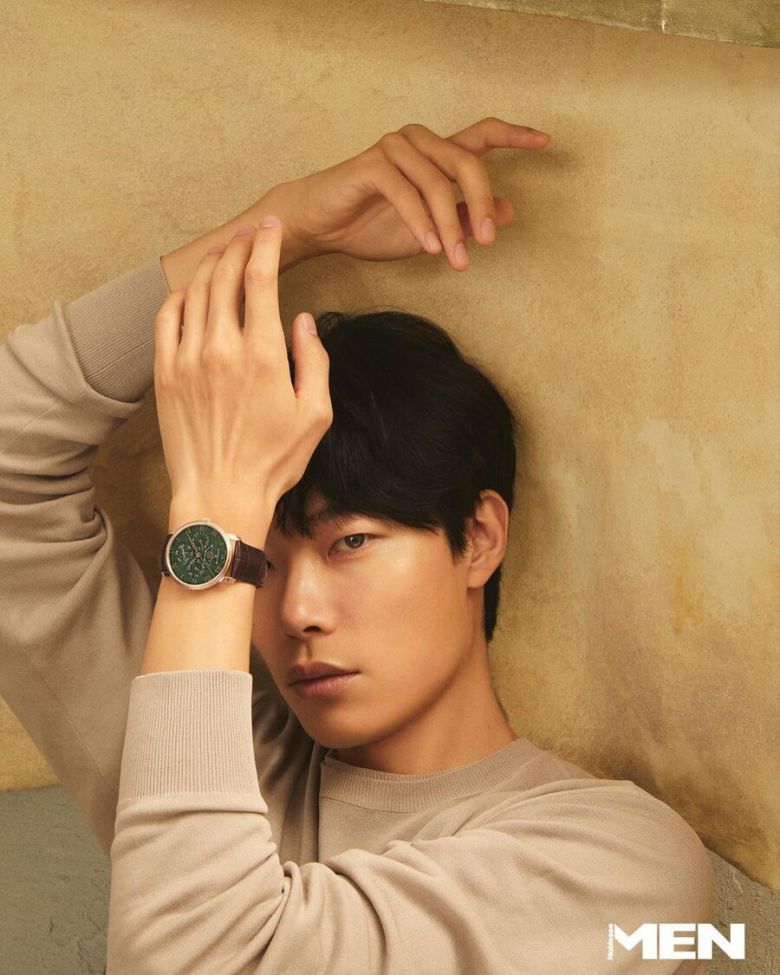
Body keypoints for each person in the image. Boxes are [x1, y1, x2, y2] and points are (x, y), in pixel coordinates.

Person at [0, 117, 712, 974]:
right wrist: (279, 231)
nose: (296, 610)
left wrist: (217, 528)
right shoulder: (213, 759)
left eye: (352, 541)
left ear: (479, 537)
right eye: (264, 561)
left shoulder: (620, 866)